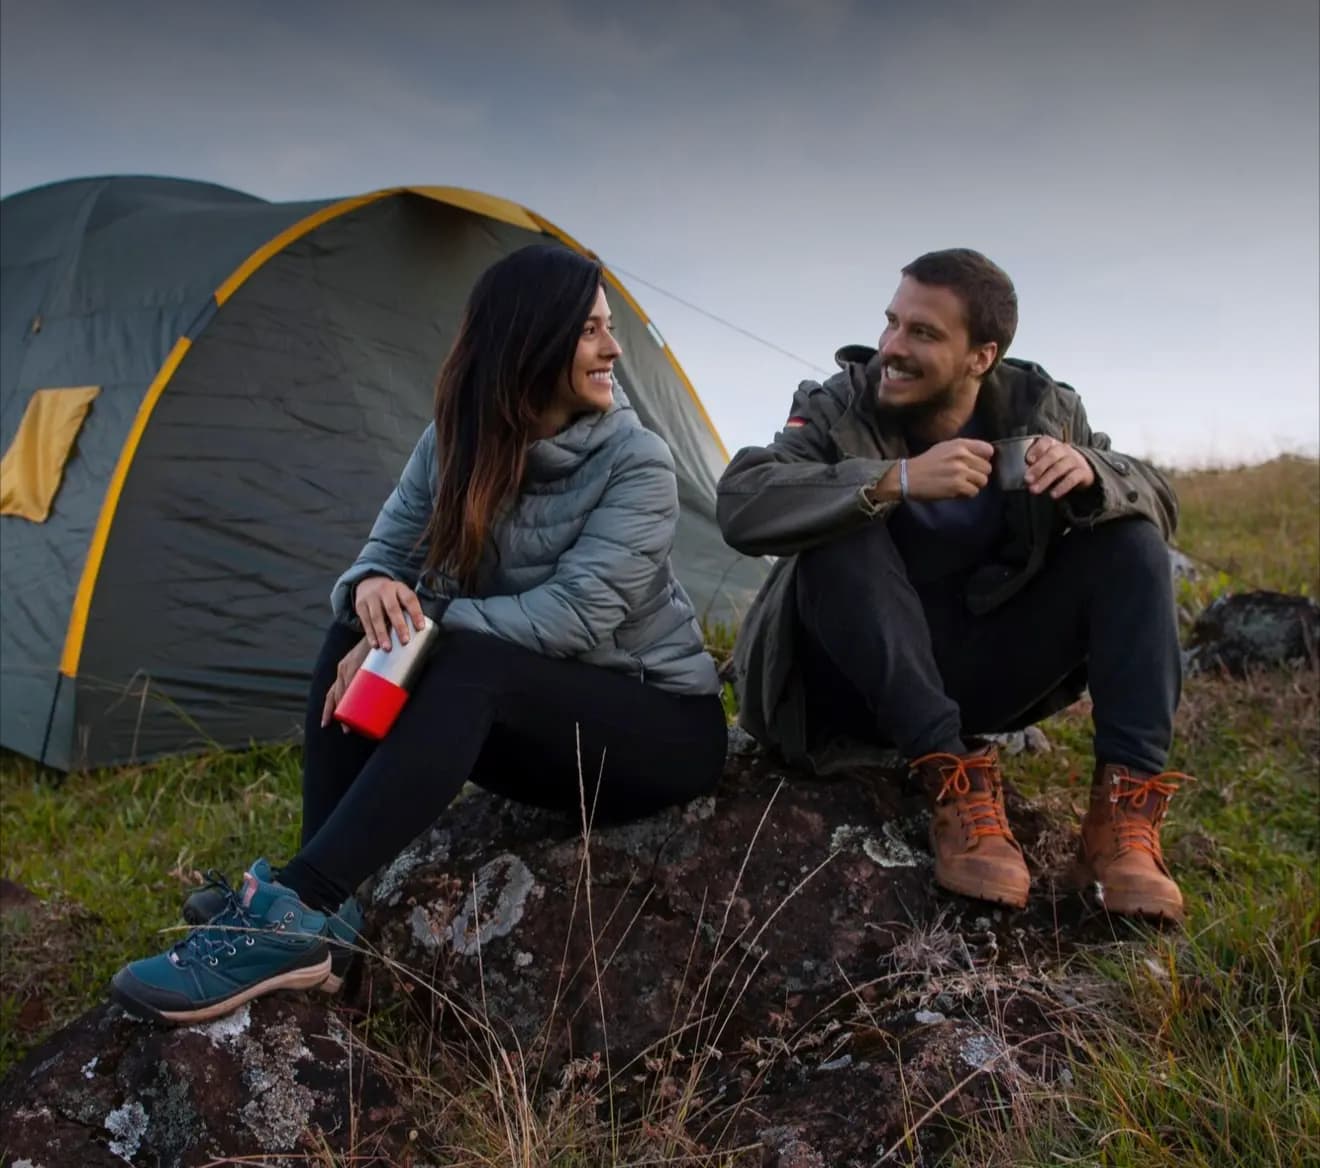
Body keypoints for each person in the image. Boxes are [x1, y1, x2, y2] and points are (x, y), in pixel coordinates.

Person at [111, 245, 728, 1024]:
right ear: (528, 341)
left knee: (452, 653)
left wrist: (415, 633)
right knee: (361, 620)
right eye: (590, 331)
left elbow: (574, 617)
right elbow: (383, 557)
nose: (614, 350)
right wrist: (373, 592)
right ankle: (314, 915)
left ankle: (295, 902)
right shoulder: (455, 440)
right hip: (530, 717)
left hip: (654, 730)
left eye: (610, 328)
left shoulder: (638, 462)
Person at [717, 248, 1190, 924]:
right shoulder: (839, 404)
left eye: (923, 333)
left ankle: (1118, 831)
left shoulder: (1044, 410)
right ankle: (954, 785)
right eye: (892, 323)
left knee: (1130, 537)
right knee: (844, 527)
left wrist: (1090, 469)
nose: (891, 349)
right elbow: (741, 502)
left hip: (972, 668)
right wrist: (894, 482)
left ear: (981, 356)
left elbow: (1160, 500)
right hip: (843, 681)